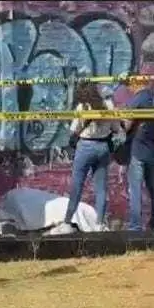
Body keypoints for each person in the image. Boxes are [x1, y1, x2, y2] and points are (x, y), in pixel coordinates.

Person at [56, 82, 121, 233]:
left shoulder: (83, 107)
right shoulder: (109, 105)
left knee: (77, 186)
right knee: (101, 188)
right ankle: (99, 223)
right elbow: (116, 128)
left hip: (85, 146)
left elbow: (74, 129)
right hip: (103, 147)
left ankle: (67, 222)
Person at [123, 80, 154, 231]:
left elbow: (127, 124)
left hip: (138, 149)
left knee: (135, 189)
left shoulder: (139, 98)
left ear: (135, 84)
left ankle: (136, 226)